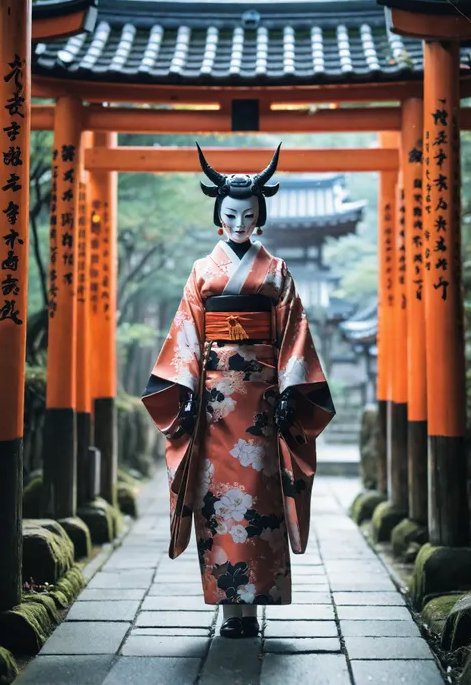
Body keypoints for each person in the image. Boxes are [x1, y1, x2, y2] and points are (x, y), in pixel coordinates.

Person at [142, 144, 335, 638]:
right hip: (214, 406)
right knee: (217, 497)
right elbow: (187, 332)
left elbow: (293, 331)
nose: (239, 223)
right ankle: (232, 611)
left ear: (260, 216)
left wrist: (292, 387)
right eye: (230, 214)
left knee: (258, 498)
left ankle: (255, 604)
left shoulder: (277, 273)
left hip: (263, 402)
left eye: (248, 215)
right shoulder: (202, 272)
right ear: (218, 215)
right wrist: (183, 389)